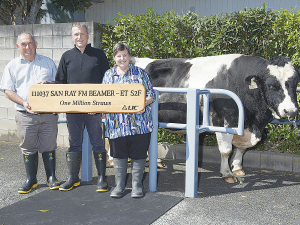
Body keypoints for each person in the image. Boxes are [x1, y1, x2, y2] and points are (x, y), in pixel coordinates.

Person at [0, 33, 59, 194]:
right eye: (23, 44)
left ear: (36, 44)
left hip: (48, 115)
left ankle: (51, 177)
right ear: (17, 46)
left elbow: (60, 85)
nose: (27, 47)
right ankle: (31, 179)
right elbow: (8, 90)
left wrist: (49, 83)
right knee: (28, 147)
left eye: (30, 43)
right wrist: (23, 102)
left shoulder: (48, 63)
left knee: (49, 146)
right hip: (25, 115)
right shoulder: (12, 66)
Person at [55, 22, 110, 192]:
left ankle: (102, 178)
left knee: (97, 143)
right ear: (73, 37)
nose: (79, 37)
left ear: (88, 35)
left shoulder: (98, 55)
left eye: (82, 34)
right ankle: (73, 178)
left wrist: (102, 107)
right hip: (73, 110)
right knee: (74, 143)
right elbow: (60, 83)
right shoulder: (66, 56)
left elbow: (107, 82)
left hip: (94, 110)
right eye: (75, 35)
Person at [103, 42, 156, 198]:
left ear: (129, 56)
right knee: (118, 155)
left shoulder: (140, 73)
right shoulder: (108, 75)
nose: (122, 58)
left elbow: (151, 94)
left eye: (125, 55)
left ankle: (136, 186)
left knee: (138, 155)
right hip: (116, 124)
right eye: (119, 56)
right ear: (114, 58)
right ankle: (119, 186)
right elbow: (103, 98)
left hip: (139, 123)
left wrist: (144, 102)